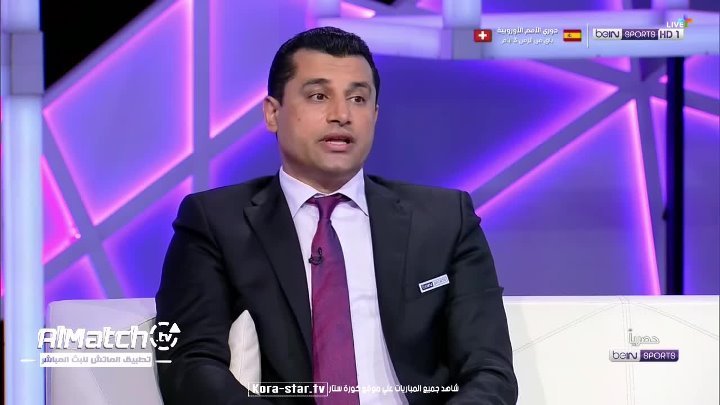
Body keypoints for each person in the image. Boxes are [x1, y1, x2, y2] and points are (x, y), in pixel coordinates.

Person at [155, 26, 518, 405]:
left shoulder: (445, 219)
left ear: (375, 115)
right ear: (273, 113)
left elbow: (489, 371)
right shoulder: (216, 222)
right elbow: (189, 364)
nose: (342, 115)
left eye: (358, 99)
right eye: (318, 96)